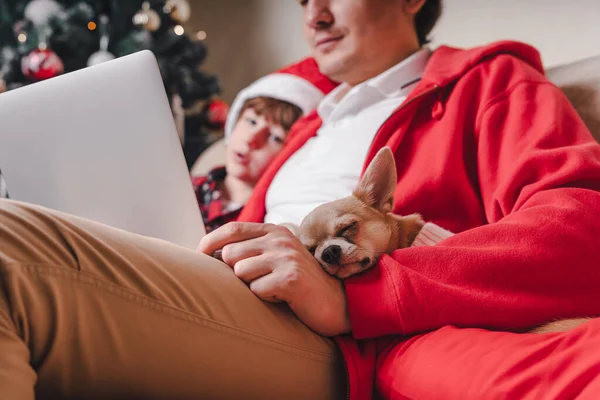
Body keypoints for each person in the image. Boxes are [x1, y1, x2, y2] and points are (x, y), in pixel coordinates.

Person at [2, 1, 600, 399]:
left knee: (9, 249)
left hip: (352, 338)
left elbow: (579, 231)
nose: (312, 12)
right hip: (241, 295)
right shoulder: (307, 132)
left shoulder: (489, 81)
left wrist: (354, 295)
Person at [192, 59, 338, 232]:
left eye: (275, 137)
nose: (251, 139)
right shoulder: (190, 188)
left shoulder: (273, 220)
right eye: (251, 121)